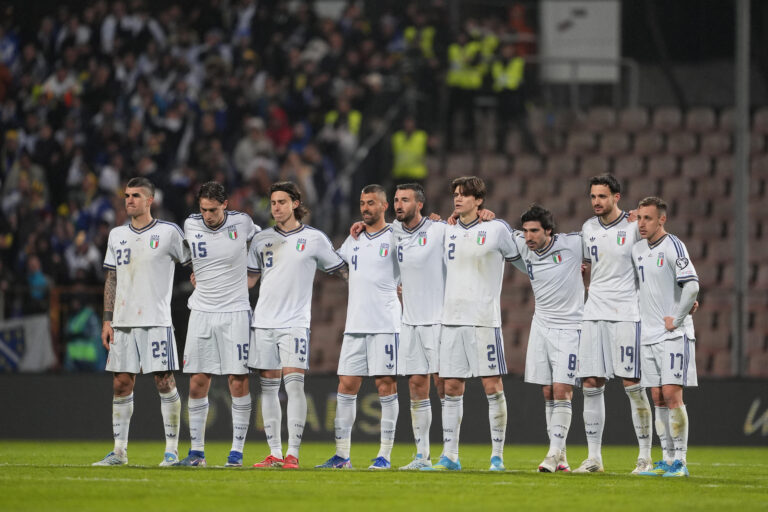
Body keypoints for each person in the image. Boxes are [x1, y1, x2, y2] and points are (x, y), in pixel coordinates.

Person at [424, 176, 521, 471]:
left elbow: (524, 258)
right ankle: (450, 455)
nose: (458, 199)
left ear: (479, 200)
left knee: (492, 386)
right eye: (456, 194)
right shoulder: (446, 230)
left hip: (483, 320)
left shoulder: (496, 229)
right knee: (451, 386)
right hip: (451, 319)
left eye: (465, 195)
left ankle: (497, 457)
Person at [247, 181, 346, 469]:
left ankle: (293, 453)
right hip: (263, 322)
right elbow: (250, 280)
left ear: (295, 203)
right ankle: (275, 454)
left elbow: (342, 270)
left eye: (281, 202)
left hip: (295, 323)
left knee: (293, 386)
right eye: (273, 202)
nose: (276, 207)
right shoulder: (261, 240)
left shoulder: (314, 239)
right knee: (268, 388)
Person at [93, 177, 191, 466]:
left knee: (164, 382)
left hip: (156, 320)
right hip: (122, 322)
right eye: (126, 195)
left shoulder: (169, 232)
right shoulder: (116, 235)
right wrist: (107, 320)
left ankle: (171, 451)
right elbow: (111, 279)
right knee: (121, 384)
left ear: (150, 200)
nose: (129, 200)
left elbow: (191, 263)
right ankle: (119, 452)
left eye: (136, 195)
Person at [175, 182, 261, 468]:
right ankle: (197, 452)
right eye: (203, 209)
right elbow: (189, 256)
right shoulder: (190, 224)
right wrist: (196, 273)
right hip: (201, 312)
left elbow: (265, 244)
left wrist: (254, 276)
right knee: (198, 381)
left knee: (238, 380)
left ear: (225, 204)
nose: (208, 215)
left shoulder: (243, 223)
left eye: (213, 210)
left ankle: (236, 452)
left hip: (235, 311)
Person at [317, 184, 401, 470]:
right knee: (346, 385)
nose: (365, 208)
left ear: (384, 206)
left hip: (386, 324)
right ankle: (342, 456)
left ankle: (385, 455)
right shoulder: (354, 239)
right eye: (362, 203)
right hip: (355, 324)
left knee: (385, 385)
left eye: (371, 203)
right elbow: (340, 267)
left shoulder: (396, 235)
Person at [575, 174, 653, 474]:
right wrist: (588, 287)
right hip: (594, 312)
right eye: (593, 196)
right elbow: (587, 268)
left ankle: (645, 457)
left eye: (602, 197)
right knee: (591, 383)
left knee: (632, 384)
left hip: (625, 313)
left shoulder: (634, 227)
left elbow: (652, 259)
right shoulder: (588, 228)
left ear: (616, 197)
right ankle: (594, 458)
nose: (596, 202)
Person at [512, 204, 583, 472]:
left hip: (570, 327)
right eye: (525, 231)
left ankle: (552, 455)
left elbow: (609, 251)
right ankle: (561, 455)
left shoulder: (573, 245)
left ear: (549, 231)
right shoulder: (522, 246)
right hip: (540, 325)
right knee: (547, 391)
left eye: (534, 231)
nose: (528, 236)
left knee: (563, 390)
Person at [632, 197, 698, 478]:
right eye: (639, 218)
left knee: (671, 394)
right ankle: (667, 459)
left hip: (672, 335)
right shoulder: (637, 250)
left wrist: (679, 317)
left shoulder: (674, 246)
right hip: (647, 335)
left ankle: (681, 461)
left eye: (648, 218)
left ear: (662, 219)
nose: (642, 223)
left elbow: (692, 286)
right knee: (657, 396)